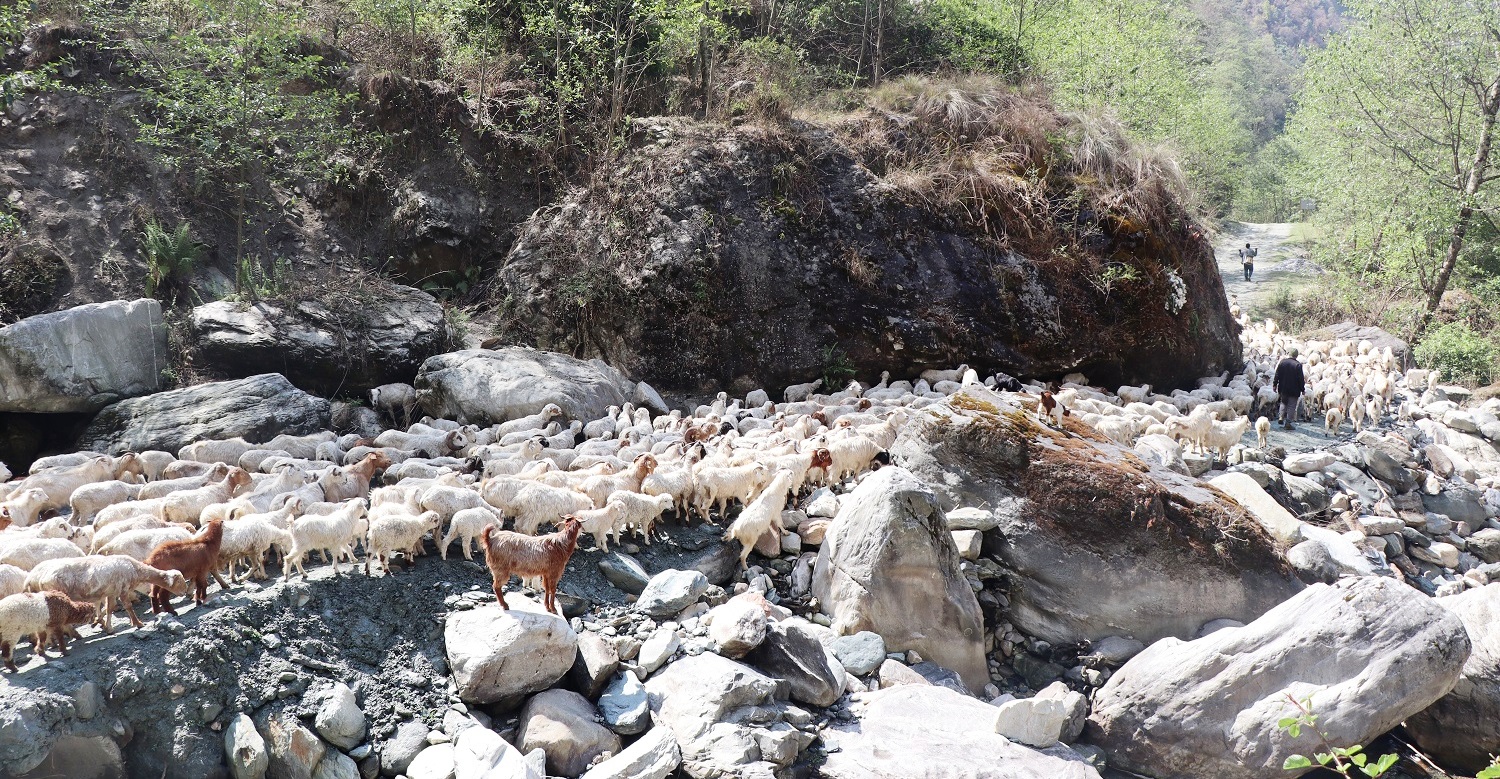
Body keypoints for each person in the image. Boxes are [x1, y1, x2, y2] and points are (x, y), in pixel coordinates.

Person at [1272, 348, 1305, 431]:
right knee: (1291, 405)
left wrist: (1274, 384)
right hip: (1294, 389)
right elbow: (1300, 379)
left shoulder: (1282, 362)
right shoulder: (1298, 365)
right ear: (1296, 355)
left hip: (1283, 387)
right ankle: (1288, 423)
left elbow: (1277, 374)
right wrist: (1302, 389)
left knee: (1283, 402)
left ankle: (1281, 416)